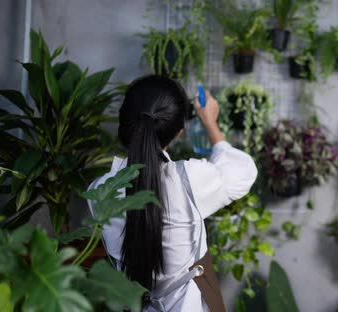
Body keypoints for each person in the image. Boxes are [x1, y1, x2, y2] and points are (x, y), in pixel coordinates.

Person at [86, 75, 257, 311]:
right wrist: (210, 124)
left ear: (124, 123)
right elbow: (244, 172)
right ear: (178, 132)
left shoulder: (98, 193)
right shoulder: (190, 180)